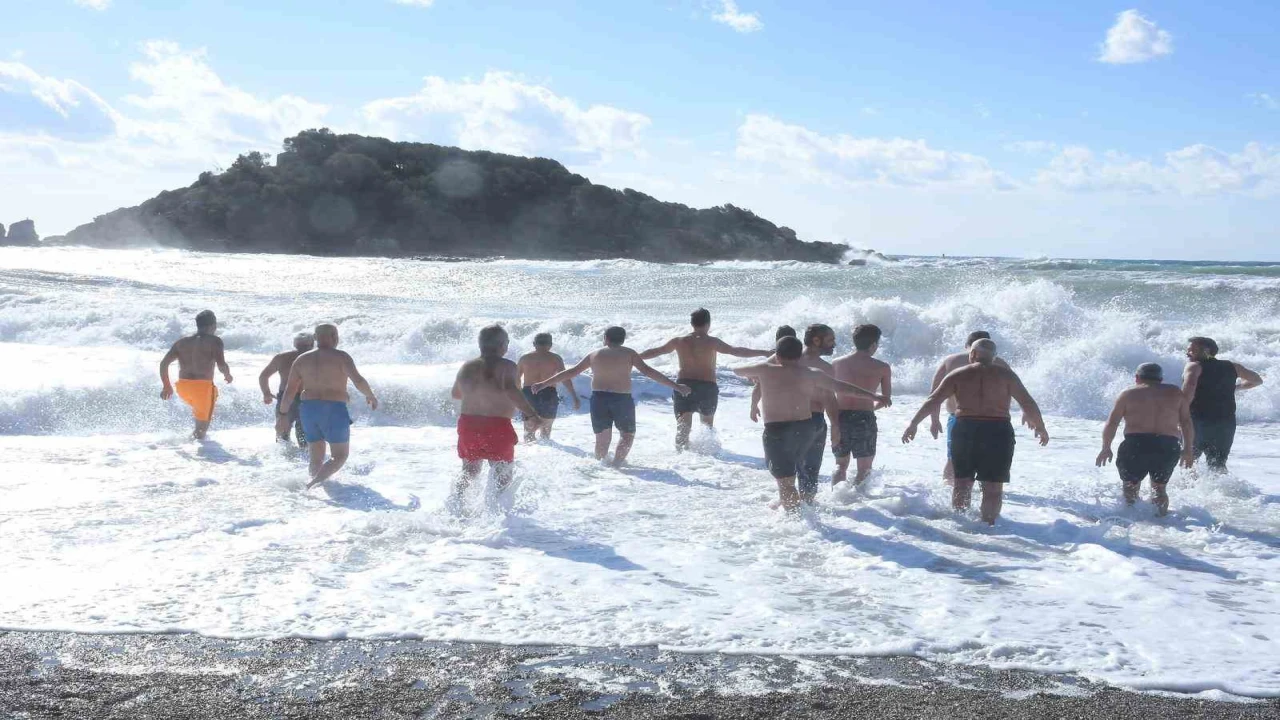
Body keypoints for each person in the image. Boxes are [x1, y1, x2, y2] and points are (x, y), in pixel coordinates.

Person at [902, 339, 1048, 525]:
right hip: (997, 431)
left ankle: (960, 524)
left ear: (972, 354)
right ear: (994, 357)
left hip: (965, 429)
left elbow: (933, 400)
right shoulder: (1007, 376)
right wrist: (1041, 427)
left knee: (962, 483)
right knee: (993, 488)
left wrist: (913, 424)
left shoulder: (958, 374)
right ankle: (988, 527)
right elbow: (1027, 402)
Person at [735, 336, 888, 512]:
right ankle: (806, 508)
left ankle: (795, 520)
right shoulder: (812, 373)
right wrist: (874, 396)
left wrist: (758, 371)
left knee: (785, 482)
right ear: (799, 354)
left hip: (778, 431)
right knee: (804, 471)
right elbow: (842, 387)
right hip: (805, 429)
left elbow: (737, 370)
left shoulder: (765, 369)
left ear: (778, 354)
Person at [533, 326, 690, 466]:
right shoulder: (629, 353)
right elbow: (650, 372)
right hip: (621, 400)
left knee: (602, 439)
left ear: (605, 339)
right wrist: (676, 386)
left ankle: (600, 468)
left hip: (599, 400)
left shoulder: (594, 354)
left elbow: (571, 372)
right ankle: (616, 465)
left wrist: (543, 383)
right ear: (622, 340)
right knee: (627, 435)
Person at [640, 308, 771, 450]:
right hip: (707, 388)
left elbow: (655, 351)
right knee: (707, 428)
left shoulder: (678, 341)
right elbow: (737, 351)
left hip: (684, 387)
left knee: (683, 429)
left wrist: (635, 357)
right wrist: (764, 352)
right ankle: (707, 461)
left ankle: (682, 460)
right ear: (708, 323)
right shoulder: (712, 342)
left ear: (692, 323)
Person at [279, 324, 379, 489]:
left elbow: (289, 391)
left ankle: (313, 489)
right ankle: (312, 485)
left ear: (316, 339)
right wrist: (370, 395)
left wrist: (283, 416)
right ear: (334, 337)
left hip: (308, 410)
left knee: (316, 456)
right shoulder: (341, 357)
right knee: (339, 456)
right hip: (333, 409)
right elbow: (358, 380)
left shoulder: (301, 359)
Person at [452, 326, 543, 502]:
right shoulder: (507, 365)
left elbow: (456, 393)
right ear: (503, 345)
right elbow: (510, 389)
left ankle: (457, 503)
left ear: (480, 345)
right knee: (502, 471)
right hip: (496, 426)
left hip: (468, 424)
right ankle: (497, 512)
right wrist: (531, 414)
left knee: (470, 470)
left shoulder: (467, 366)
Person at [1097, 362, 1194, 516]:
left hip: (1136, 444)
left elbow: (1112, 423)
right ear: (1161, 379)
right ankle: (1161, 523)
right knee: (1159, 489)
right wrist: (1188, 449)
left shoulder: (1128, 394)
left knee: (1130, 487)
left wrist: (1106, 447)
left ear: (1137, 378)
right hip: (1167, 445)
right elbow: (1186, 423)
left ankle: (1131, 522)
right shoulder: (1176, 393)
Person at [929, 331, 1012, 483]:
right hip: (993, 421)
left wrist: (934, 420)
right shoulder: (1000, 363)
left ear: (967, 346)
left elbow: (934, 396)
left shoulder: (950, 361)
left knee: (953, 459)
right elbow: (1013, 391)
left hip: (959, 419)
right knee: (987, 460)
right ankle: (986, 494)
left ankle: (948, 491)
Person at [1181, 336, 1263, 471]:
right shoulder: (1233, 366)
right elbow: (1257, 380)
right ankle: (1221, 491)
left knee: (1189, 464)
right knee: (1218, 466)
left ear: (1206, 350)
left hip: (1198, 422)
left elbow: (1188, 390)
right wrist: (1236, 388)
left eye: (1192, 350)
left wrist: (1179, 416)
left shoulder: (1194, 366)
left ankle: (1189, 491)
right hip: (1225, 424)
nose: (1187, 353)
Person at [831, 324, 893, 487]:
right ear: (873, 344)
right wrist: (869, 408)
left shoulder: (837, 363)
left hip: (840, 416)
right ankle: (858, 502)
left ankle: (836, 498)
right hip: (864, 418)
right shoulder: (882, 367)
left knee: (840, 465)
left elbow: (827, 392)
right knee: (864, 469)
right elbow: (885, 399)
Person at [159, 310, 233, 440]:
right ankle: (198, 453)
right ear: (213, 326)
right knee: (201, 432)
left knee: (201, 418)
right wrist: (227, 375)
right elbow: (221, 365)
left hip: (182, 388)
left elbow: (164, 363)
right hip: (202, 389)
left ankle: (189, 447)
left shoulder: (181, 342)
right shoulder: (215, 341)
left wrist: (166, 386)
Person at [516, 333, 580, 442]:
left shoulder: (525, 358)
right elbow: (565, 378)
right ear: (550, 344)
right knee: (545, 431)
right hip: (548, 393)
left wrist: (518, 397)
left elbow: (516, 379)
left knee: (528, 430)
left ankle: (530, 455)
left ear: (534, 344)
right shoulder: (555, 358)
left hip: (528, 393)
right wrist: (574, 396)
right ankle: (545, 453)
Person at [258, 332, 315, 446]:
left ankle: (298, 461)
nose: (303, 350)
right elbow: (263, 376)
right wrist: (266, 393)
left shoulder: (317, 359)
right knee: (284, 436)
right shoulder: (282, 358)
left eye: (306, 347)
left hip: (306, 399)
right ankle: (287, 461)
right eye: (301, 346)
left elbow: (329, 379)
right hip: (288, 398)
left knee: (301, 437)